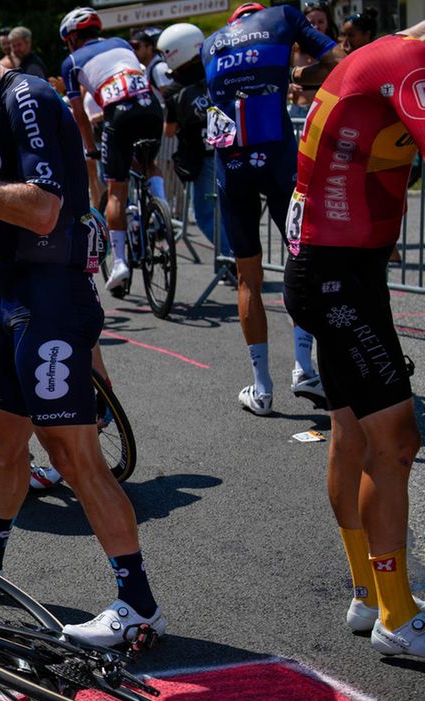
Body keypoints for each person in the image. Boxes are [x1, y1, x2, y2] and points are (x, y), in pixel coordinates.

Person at [0, 6, 166, 645]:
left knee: (73, 456)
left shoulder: (29, 99)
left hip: (53, 300)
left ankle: (138, 603)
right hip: (16, 296)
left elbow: (41, 211)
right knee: (0, 440)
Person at [285, 20, 425, 658]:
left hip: (332, 267)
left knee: (353, 432)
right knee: (395, 442)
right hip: (338, 273)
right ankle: (396, 615)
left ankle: (372, 595)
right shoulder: (407, 60)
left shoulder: (380, 52)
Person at [202, 2, 340, 415]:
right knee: (302, 263)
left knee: (249, 279)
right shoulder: (282, 17)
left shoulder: (211, 44)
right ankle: (303, 369)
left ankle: (261, 389)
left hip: (232, 164)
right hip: (278, 159)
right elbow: (337, 62)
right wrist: (297, 75)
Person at [59, 7, 165, 295]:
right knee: (149, 161)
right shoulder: (121, 43)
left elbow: (79, 114)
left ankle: (119, 262)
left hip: (118, 114)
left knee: (116, 189)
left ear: (70, 38)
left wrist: (91, 148)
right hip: (151, 108)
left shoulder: (70, 61)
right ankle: (160, 206)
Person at [158, 24, 231, 264]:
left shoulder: (174, 91)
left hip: (203, 158)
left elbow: (169, 131)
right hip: (231, 150)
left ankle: (236, 262)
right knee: (233, 212)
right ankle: (238, 260)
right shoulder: (218, 70)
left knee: (206, 216)